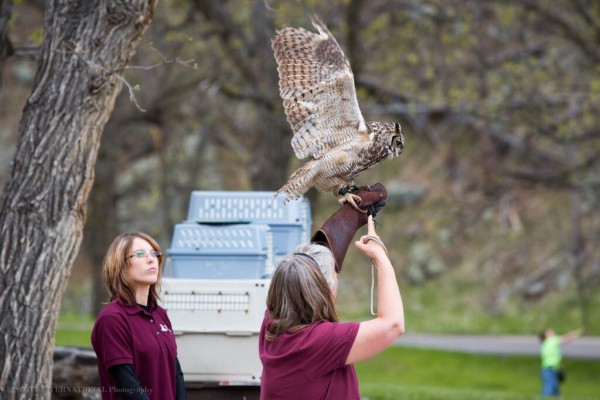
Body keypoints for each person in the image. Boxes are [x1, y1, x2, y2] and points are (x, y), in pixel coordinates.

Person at [259, 184, 405, 399]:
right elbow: (393, 325)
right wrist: (380, 257)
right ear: (322, 293)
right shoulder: (317, 343)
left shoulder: (271, 326)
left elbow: (308, 266)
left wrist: (352, 212)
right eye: (335, 277)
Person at [91, 232, 186, 400]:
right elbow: (129, 387)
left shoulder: (160, 315)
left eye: (154, 253)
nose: (151, 259)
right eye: (140, 254)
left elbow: (176, 373)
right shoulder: (112, 319)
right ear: (120, 265)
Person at [538, 327, 584, 396]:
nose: (553, 332)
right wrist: (579, 333)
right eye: (549, 332)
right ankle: (544, 396)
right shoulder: (551, 340)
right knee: (550, 386)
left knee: (554, 387)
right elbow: (566, 338)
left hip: (551, 368)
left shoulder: (546, 343)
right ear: (546, 336)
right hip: (549, 369)